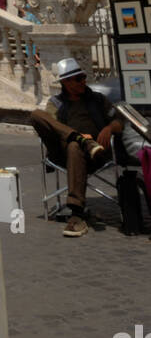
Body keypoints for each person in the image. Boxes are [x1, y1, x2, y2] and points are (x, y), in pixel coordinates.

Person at [29, 57, 123, 237]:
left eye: (83, 77)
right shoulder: (55, 104)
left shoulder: (97, 99)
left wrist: (109, 128)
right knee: (37, 116)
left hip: (97, 153)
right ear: (66, 82)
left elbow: (120, 120)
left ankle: (77, 216)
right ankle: (78, 138)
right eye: (78, 79)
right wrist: (77, 136)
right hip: (63, 152)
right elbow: (52, 130)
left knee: (75, 147)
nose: (83, 82)